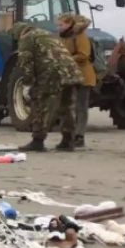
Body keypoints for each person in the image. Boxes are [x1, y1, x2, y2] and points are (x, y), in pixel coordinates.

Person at [12, 23, 84, 152]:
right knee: (67, 107)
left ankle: (38, 141)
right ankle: (68, 140)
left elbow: (25, 62)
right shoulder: (49, 35)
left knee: (43, 106)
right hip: (71, 72)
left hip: (52, 74)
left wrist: (27, 84)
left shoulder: (27, 38)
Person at [58, 13, 96, 148]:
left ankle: (79, 136)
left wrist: (66, 59)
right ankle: (70, 135)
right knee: (68, 107)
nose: (59, 27)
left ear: (69, 24)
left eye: (61, 24)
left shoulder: (80, 36)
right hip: (70, 76)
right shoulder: (63, 37)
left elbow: (84, 55)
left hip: (84, 76)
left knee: (81, 107)